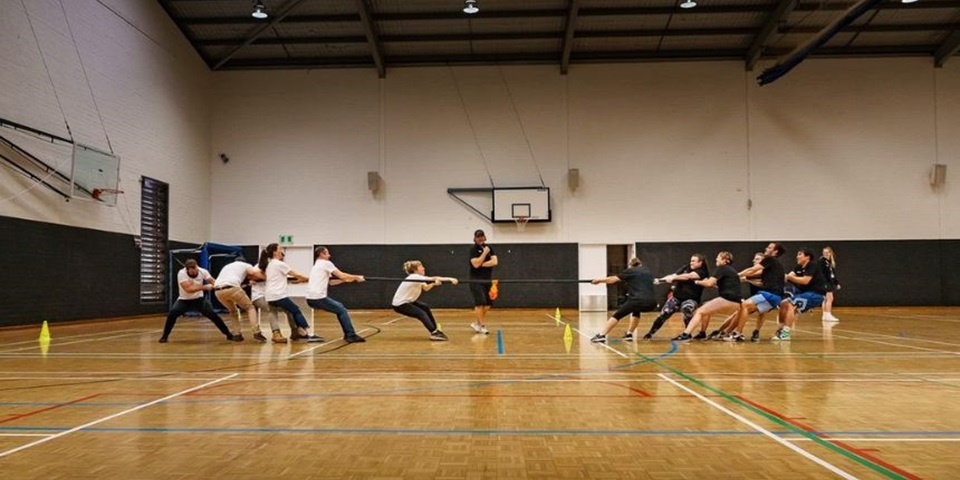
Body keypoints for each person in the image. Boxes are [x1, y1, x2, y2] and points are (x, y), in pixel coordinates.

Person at [671, 252, 741, 343]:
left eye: (718, 257)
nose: (716, 259)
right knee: (706, 308)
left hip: (727, 299)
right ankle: (702, 333)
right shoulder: (730, 270)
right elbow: (718, 284)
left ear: (725, 261)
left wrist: (697, 282)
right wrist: (706, 282)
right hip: (736, 303)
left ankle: (686, 334)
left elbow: (709, 284)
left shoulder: (722, 268)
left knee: (699, 312)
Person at [160, 259, 234, 343]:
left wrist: (220, 286)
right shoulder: (181, 273)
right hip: (184, 300)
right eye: (192, 272)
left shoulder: (203, 271)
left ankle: (228, 334)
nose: (195, 273)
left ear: (197, 267)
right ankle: (165, 336)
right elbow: (188, 289)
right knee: (172, 314)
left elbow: (212, 281)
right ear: (187, 269)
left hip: (199, 299)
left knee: (213, 315)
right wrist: (204, 287)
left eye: (196, 270)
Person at [725, 243, 786, 343]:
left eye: (770, 247)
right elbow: (755, 275)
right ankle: (730, 332)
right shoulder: (776, 264)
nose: (766, 248)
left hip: (769, 294)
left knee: (744, 305)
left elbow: (752, 269)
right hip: (777, 298)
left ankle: (738, 334)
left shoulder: (770, 259)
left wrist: (735, 275)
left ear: (775, 252)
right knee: (745, 310)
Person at [305, 246, 366, 344]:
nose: (329, 255)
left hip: (310, 298)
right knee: (342, 310)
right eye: (327, 253)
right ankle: (350, 335)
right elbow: (342, 275)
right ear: (322, 254)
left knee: (340, 308)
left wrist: (347, 280)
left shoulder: (317, 264)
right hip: (318, 297)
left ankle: (349, 334)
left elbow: (331, 282)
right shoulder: (326, 263)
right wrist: (356, 277)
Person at [641, 254, 709, 341]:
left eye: (693, 261)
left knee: (687, 309)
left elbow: (688, 276)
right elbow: (673, 275)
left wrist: (674, 278)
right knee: (665, 313)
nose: (691, 263)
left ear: (700, 263)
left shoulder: (702, 272)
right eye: (691, 260)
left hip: (691, 299)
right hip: (677, 297)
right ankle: (650, 333)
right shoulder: (686, 267)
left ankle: (687, 334)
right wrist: (660, 280)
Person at [261, 243, 320, 342]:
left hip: (270, 296)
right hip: (278, 295)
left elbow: (280, 278)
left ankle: (297, 332)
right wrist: (310, 279)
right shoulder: (279, 264)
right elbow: (295, 274)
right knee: (296, 310)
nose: (282, 251)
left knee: (288, 312)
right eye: (280, 249)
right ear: (275, 252)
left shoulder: (270, 264)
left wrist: (299, 281)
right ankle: (305, 332)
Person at [590, 257, 656, 344]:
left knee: (617, 315)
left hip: (637, 300)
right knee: (636, 311)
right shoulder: (647, 271)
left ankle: (601, 335)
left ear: (630, 265)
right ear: (640, 264)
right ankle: (629, 334)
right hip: (652, 303)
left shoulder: (630, 271)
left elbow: (613, 280)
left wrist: (599, 280)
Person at [392, 260, 458, 341]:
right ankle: (434, 333)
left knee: (425, 307)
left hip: (408, 302)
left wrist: (434, 284)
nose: (424, 268)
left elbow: (426, 288)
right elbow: (434, 278)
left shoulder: (419, 278)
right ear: (415, 270)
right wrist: (450, 279)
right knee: (421, 313)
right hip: (400, 304)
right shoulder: (414, 277)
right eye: (421, 267)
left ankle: (435, 329)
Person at [773, 248, 828, 341]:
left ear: (807, 257)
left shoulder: (812, 265)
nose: (797, 256)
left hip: (816, 294)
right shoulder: (798, 267)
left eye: (800, 254)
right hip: (806, 294)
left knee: (791, 304)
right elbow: (787, 277)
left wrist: (790, 277)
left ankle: (786, 333)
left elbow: (805, 281)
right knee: (783, 303)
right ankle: (780, 329)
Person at [214, 256, 266, 342]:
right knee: (250, 308)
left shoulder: (227, 266)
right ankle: (256, 332)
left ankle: (236, 334)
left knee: (233, 311)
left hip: (217, 291)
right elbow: (254, 274)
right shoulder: (246, 265)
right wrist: (267, 278)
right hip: (232, 288)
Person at [250, 250, 288, 343]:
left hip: (272, 296)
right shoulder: (257, 267)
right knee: (272, 308)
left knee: (290, 308)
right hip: (259, 296)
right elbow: (252, 277)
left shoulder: (275, 267)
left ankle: (296, 331)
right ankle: (276, 333)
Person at [468, 229, 498, 334]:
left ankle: (477, 323)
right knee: (480, 303)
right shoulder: (473, 249)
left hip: (487, 280)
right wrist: (484, 253)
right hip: (476, 281)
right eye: (478, 237)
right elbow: (475, 264)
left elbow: (495, 261)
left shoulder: (490, 248)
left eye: (482, 236)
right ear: (475, 238)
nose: (480, 238)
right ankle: (481, 326)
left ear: (484, 237)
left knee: (488, 304)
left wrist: (482, 263)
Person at [820, 246, 841, 322]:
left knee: (826, 299)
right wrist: (823, 283)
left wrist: (836, 283)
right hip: (825, 283)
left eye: (827, 252)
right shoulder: (822, 261)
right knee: (830, 298)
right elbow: (820, 273)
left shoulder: (830, 262)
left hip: (829, 282)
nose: (825, 254)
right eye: (824, 252)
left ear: (830, 253)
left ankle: (825, 315)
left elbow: (832, 274)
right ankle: (828, 315)